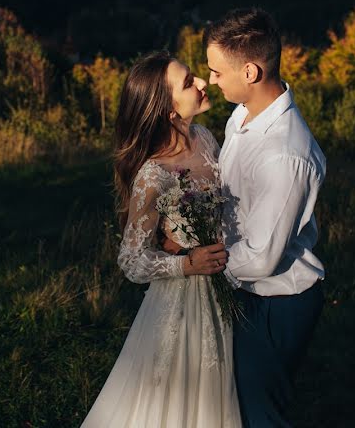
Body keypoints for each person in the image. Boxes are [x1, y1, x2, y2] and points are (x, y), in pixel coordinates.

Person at [81, 51, 241, 428]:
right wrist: (187, 263)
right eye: (189, 82)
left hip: (225, 290)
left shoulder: (204, 138)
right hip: (182, 300)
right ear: (169, 110)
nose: (202, 82)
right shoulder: (154, 175)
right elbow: (132, 261)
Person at [205, 8, 326, 428]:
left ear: (251, 72)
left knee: (261, 413)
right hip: (244, 291)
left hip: (276, 300)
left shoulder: (285, 155)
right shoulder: (242, 114)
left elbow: (260, 260)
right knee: (236, 402)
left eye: (218, 71)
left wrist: (198, 262)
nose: (211, 80)